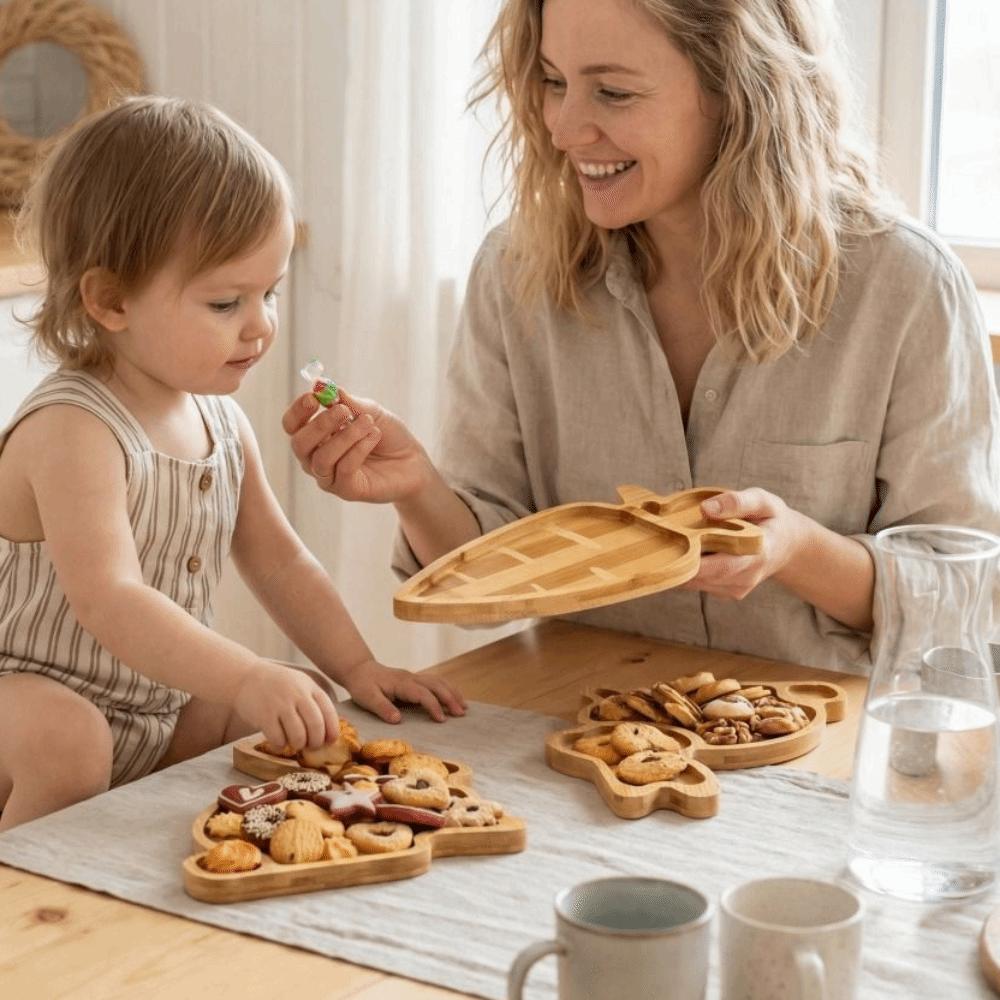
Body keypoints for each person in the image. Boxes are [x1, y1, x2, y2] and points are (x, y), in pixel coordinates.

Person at [282, 0, 1000, 676]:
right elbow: (491, 578)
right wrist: (416, 487)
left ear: (737, 91)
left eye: (613, 94)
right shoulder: (517, 272)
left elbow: (962, 600)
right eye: (554, 82)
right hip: (576, 733)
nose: (564, 127)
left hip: (816, 757)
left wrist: (795, 548)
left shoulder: (901, 287)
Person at [0, 96, 464, 831]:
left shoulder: (221, 420)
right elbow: (110, 598)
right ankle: (28, 919)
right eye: (225, 303)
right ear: (110, 300)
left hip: (152, 702)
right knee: (72, 740)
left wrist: (358, 669)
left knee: (296, 705)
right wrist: (245, 673)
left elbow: (280, 564)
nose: (261, 325)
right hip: (25, 697)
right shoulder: (73, 429)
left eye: (269, 292)